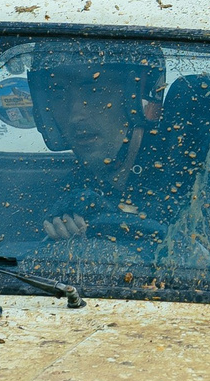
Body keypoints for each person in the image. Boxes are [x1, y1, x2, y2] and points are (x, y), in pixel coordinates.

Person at [24, 41, 197, 243]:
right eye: (58, 94)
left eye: (93, 90)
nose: (75, 115)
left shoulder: (192, 179)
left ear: (137, 96)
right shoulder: (56, 202)